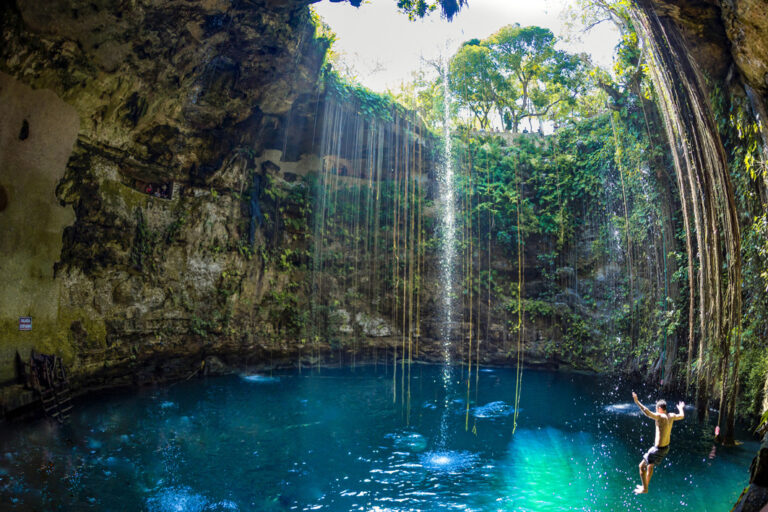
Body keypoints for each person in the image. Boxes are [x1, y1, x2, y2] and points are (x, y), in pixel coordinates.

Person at [632, 391, 685, 494]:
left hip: (657, 449)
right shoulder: (672, 415)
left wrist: (637, 401)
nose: (656, 411)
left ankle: (644, 488)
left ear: (660, 409)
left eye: (656, 409)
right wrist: (681, 408)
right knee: (650, 465)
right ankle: (645, 485)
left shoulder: (660, 417)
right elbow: (682, 416)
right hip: (665, 449)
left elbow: (647, 412)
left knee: (641, 466)